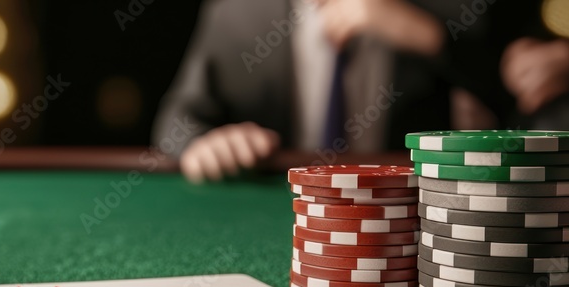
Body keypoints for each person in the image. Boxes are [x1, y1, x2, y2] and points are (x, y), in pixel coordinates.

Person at [152, 0, 530, 184]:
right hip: (268, 205)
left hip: (402, 218)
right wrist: (201, 146)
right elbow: (176, 119)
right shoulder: (236, 12)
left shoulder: (442, 11)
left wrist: (430, 37)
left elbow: (517, 106)